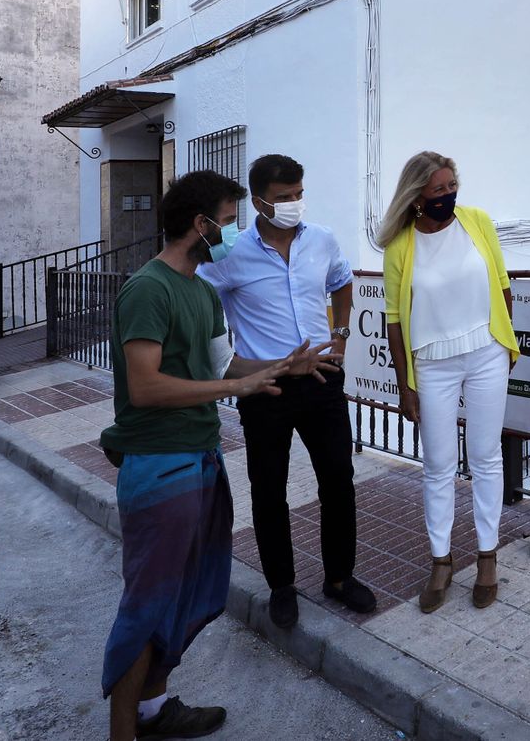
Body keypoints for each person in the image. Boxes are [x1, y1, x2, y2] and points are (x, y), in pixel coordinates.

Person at [100, 169, 333, 741]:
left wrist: (281, 367)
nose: (233, 234)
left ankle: (153, 710)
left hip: (200, 459)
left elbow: (222, 367)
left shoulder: (202, 291)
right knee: (149, 602)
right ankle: (123, 731)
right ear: (200, 225)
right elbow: (147, 387)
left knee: (193, 593)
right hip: (159, 464)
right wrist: (238, 390)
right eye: (228, 223)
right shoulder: (148, 289)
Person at [196, 154, 376, 629]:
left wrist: (340, 337)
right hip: (265, 387)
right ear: (258, 201)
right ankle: (281, 585)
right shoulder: (230, 253)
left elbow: (342, 283)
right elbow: (199, 299)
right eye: (283, 198)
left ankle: (340, 578)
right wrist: (228, 361)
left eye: (299, 194)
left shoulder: (321, 239)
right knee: (268, 490)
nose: (294, 203)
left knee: (338, 480)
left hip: (322, 379)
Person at [380, 152, 519, 612]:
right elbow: (395, 321)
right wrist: (405, 384)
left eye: (452, 185)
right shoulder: (401, 245)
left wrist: (506, 344)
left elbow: (502, 285)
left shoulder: (477, 221)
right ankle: (441, 560)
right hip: (433, 364)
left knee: (485, 458)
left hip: (485, 353)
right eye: (438, 189)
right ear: (417, 195)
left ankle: (486, 556)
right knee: (438, 465)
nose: (448, 195)